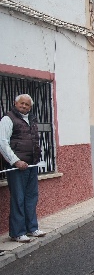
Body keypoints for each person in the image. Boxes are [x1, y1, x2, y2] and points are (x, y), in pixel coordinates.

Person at [0, 94, 47, 243]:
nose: (24, 106)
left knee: (31, 197)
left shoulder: (31, 119)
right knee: (18, 199)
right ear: (15, 103)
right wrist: (15, 161)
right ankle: (17, 232)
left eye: (27, 104)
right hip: (17, 167)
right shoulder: (8, 119)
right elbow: (2, 143)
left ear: (30, 107)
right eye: (22, 103)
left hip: (31, 165)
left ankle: (32, 228)